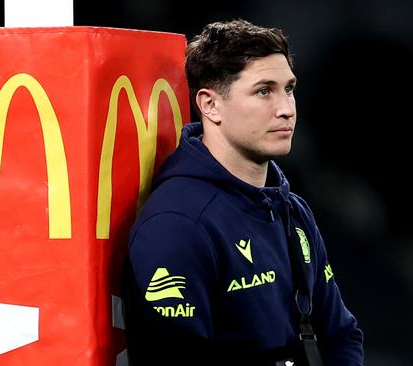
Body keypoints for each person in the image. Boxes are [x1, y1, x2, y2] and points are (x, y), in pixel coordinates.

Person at [122, 19, 363, 366]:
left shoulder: (292, 209)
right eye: (264, 90)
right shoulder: (177, 225)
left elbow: (341, 334)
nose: (287, 109)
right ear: (210, 105)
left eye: (289, 88)